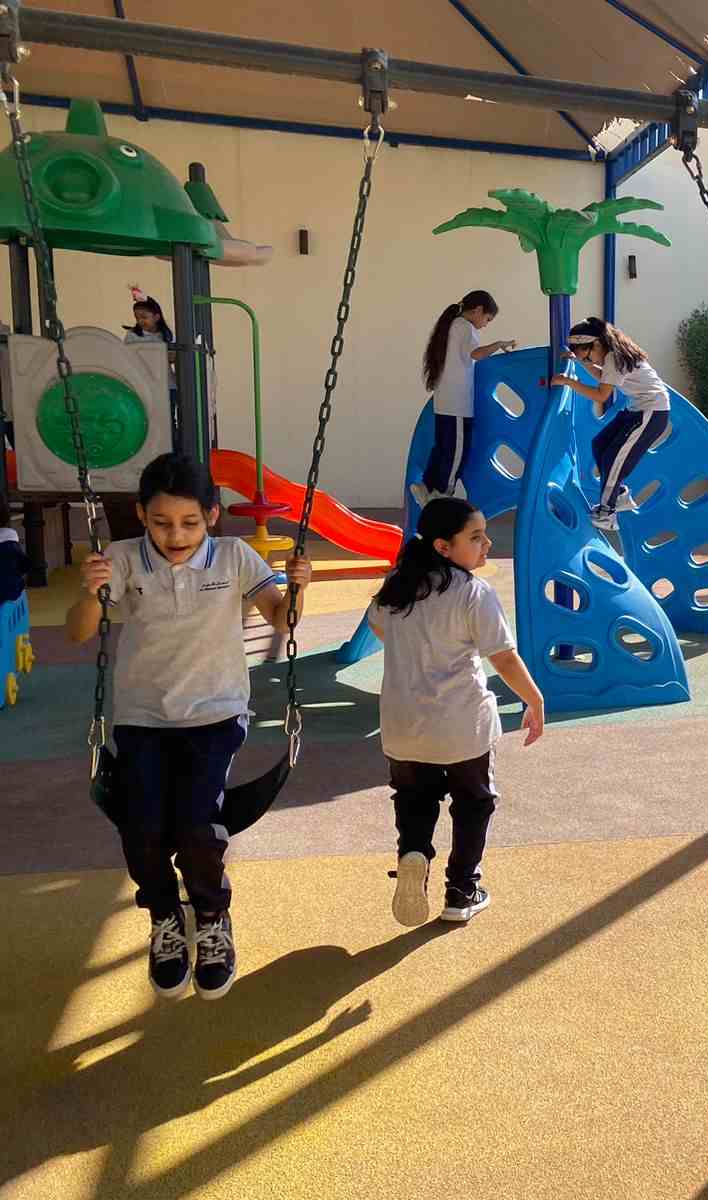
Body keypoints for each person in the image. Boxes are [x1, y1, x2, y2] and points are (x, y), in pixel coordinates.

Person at [66, 452, 313, 1001]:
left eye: (189, 523)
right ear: (141, 515)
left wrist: (299, 587)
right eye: (160, 523)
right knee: (142, 830)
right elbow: (79, 632)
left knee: (198, 827)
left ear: (212, 515)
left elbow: (282, 619)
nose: (175, 536)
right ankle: (164, 916)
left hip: (215, 714)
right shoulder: (122, 558)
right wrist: (89, 591)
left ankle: (211, 914)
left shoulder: (234, 557)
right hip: (142, 718)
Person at [367, 497, 545, 925]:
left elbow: (378, 626)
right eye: (476, 537)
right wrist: (534, 700)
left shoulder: (398, 587)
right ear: (443, 547)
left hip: (403, 726)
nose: (487, 544)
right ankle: (461, 890)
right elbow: (503, 657)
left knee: (414, 800)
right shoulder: (473, 592)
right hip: (462, 726)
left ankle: (413, 854)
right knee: (473, 803)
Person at [559, 316, 670, 531]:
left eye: (586, 354)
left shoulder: (613, 358)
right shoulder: (612, 355)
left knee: (613, 458)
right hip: (638, 409)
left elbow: (601, 395)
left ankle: (607, 514)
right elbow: (604, 378)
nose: (587, 359)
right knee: (600, 444)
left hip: (652, 412)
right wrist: (581, 361)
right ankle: (619, 496)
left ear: (596, 344)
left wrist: (568, 382)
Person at [413, 290, 518, 510]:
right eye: (487, 319)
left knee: (443, 448)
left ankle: (427, 486)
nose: (485, 325)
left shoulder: (452, 325)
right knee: (456, 453)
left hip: (445, 402)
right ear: (478, 310)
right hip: (457, 405)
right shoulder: (465, 327)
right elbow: (475, 354)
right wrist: (499, 344)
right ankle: (442, 496)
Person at [123, 291, 179, 443]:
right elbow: (127, 357)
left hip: (167, 384)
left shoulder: (166, 335)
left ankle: (170, 448)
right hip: (144, 384)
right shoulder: (133, 335)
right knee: (148, 420)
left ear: (156, 317)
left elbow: (173, 357)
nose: (140, 321)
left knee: (168, 420)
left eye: (144, 317)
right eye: (137, 318)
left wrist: (165, 355)